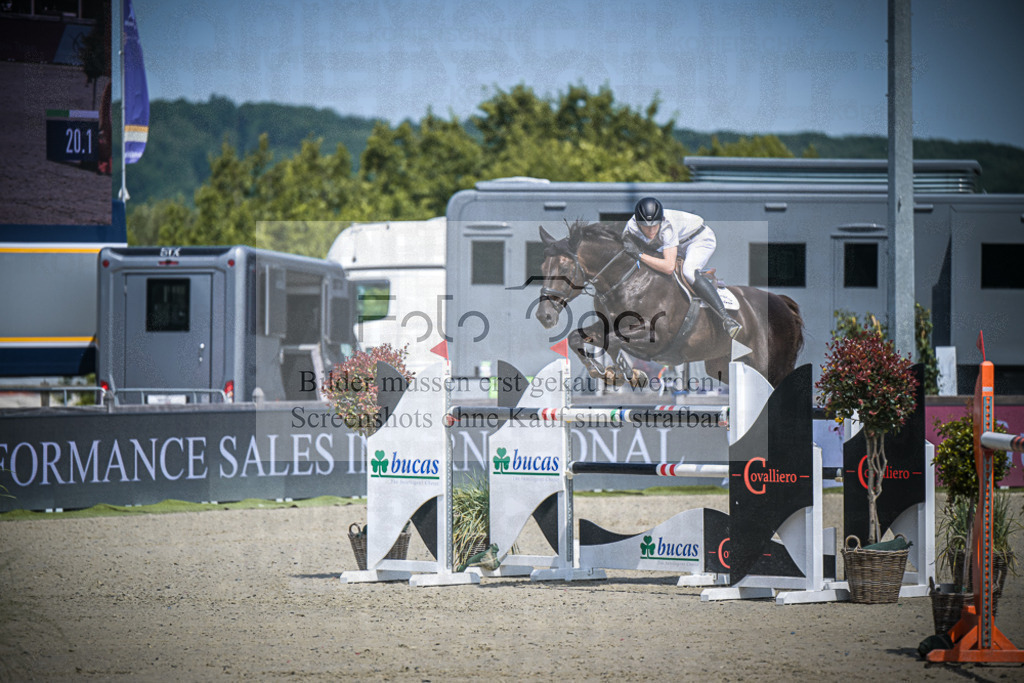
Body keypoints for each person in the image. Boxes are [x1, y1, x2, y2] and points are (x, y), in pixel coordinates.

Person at [621, 196, 742, 338]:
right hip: (674, 244)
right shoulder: (631, 227)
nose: (651, 230)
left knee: (689, 272)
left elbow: (668, 267)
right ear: (638, 223)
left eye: (655, 225)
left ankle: (726, 319)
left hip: (698, 239)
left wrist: (639, 255)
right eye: (646, 227)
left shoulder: (667, 225)